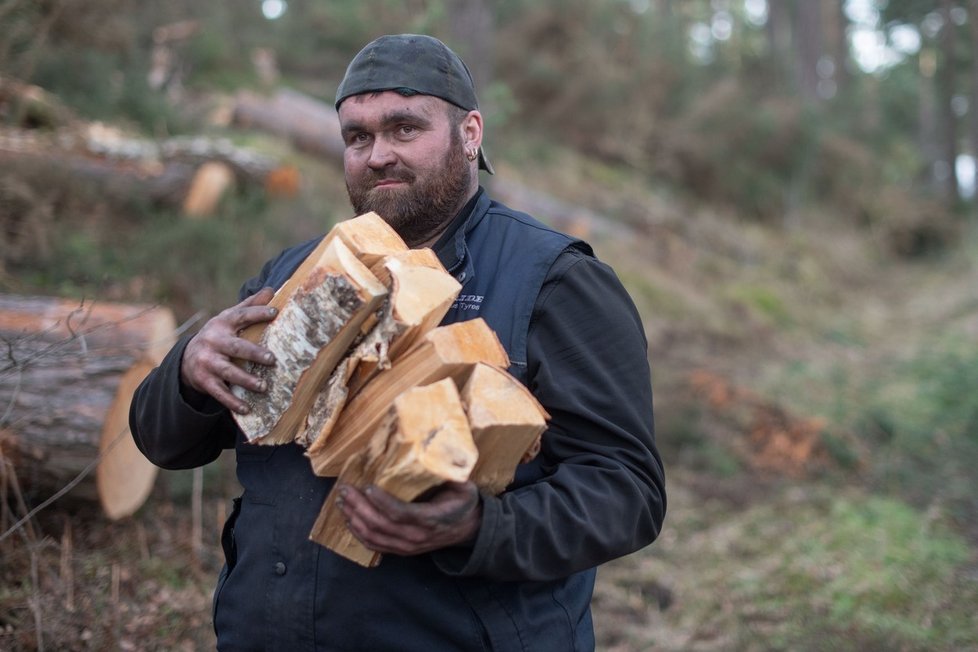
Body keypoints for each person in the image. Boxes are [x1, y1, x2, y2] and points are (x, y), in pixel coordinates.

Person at [130, 34, 666, 652]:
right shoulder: (294, 274)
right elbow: (161, 442)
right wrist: (187, 374)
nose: (378, 154)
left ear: (470, 133)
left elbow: (627, 491)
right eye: (357, 137)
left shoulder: (555, 279)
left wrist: (479, 527)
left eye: (404, 128)